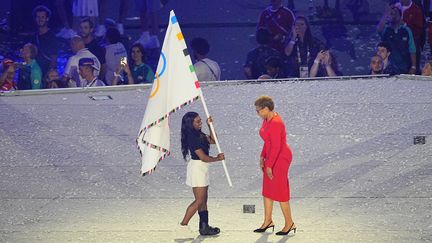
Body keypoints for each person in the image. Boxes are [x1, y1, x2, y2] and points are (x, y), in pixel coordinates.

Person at [254, 96, 296, 236]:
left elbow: (277, 147)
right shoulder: (267, 119)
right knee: (267, 189)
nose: (257, 113)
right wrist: (262, 156)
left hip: (281, 157)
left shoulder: (276, 123)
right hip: (272, 156)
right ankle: (268, 221)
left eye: (258, 111)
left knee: (280, 190)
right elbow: (268, 141)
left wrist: (269, 166)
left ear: (266, 109)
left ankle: (289, 223)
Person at [179, 112, 224, 236]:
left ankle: (204, 227)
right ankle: (183, 226)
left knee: (204, 200)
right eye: (197, 122)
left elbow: (213, 140)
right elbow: (203, 157)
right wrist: (217, 158)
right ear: (190, 124)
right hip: (198, 168)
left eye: (200, 121)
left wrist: (210, 125)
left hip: (202, 168)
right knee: (199, 201)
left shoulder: (198, 134)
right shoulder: (192, 137)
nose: (200, 123)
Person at [377, 4, 417, 74]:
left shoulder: (406, 30)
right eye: (391, 12)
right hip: (388, 69)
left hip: (405, 68)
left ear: (400, 16)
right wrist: (386, 13)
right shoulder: (386, 29)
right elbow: (379, 30)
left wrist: (413, 67)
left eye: (395, 12)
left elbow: (412, 49)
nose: (393, 13)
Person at [31, 5, 61, 79]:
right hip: (35, 73)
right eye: (38, 17)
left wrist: (49, 73)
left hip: (46, 74)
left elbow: (54, 58)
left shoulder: (52, 37)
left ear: (47, 18)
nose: (40, 19)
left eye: (42, 17)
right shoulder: (34, 36)